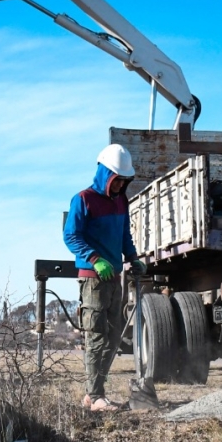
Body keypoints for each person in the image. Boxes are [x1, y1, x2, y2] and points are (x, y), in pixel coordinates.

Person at [64, 144, 147, 412]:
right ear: (104, 174)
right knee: (97, 336)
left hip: (115, 278)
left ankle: (94, 395)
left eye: (124, 181)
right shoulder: (83, 199)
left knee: (114, 338)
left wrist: (133, 258)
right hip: (93, 279)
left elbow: (124, 235)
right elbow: (71, 236)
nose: (119, 186)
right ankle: (95, 396)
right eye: (116, 180)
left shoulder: (122, 201)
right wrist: (94, 259)